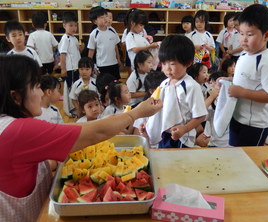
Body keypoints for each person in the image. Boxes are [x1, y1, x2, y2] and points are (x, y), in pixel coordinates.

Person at [0, 54, 162, 222]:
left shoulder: (8, 125)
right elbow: (96, 132)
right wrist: (137, 113)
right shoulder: (18, 131)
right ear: (15, 97)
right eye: (35, 87)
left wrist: (54, 164)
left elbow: (20, 167)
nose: (41, 94)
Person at [228, 4, 268, 146]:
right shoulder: (244, 55)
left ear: (266, 35)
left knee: (248, 161)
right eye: (241, 33)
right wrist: (228, 80)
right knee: (235, 154)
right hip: (238, 117)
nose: (244, 39)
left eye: (250, 34)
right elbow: (246, 79)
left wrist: (242, 92)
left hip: (255, 125)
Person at [144, 35, 208, 148]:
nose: (167, 68)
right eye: (163, 63)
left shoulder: (191, 86)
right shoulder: (164, 83)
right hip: (164, 133)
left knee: (179, 164)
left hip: (182, 138)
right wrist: (149, 126)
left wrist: (184, 129)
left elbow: (201, 115)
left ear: (188, 63)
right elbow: (156, 107)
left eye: (172, 64)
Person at [196, 71, 229, 147]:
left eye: (212, 82)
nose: (209, 85)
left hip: (221, 140)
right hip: (211, 134)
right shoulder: (211, 96)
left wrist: (212, 96)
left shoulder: (222, 98)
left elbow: (200, 112)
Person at [87, 6, 121, 80]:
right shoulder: (94, 34)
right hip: (102, 65)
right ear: (95, 21)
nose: (105, 19)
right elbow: (91, 50)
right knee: (103, 84)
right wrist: (90, 65)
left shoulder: (112, 30)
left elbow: (115, 46)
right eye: (102, 17)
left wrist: (118, 59)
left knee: (115, 83)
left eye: (106, 16)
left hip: (113, 63)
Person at [133, 70, 167, 136]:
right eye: (161, 89)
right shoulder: (144, 108)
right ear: (151, 91)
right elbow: (137, 135)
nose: (165, 91)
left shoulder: (170, 103)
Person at [58, 11, 84, 89]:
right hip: (70, 68)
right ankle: (70, 100)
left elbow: (76, 53)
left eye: (75, 25)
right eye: (71, 25)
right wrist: (63, 69)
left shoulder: (74, 38)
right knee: (72, 87)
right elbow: (62, 54)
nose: (74, 28)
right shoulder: (66, 38)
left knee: (76, 85)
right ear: (64, 26)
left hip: (76, 67)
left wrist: (81, 49)